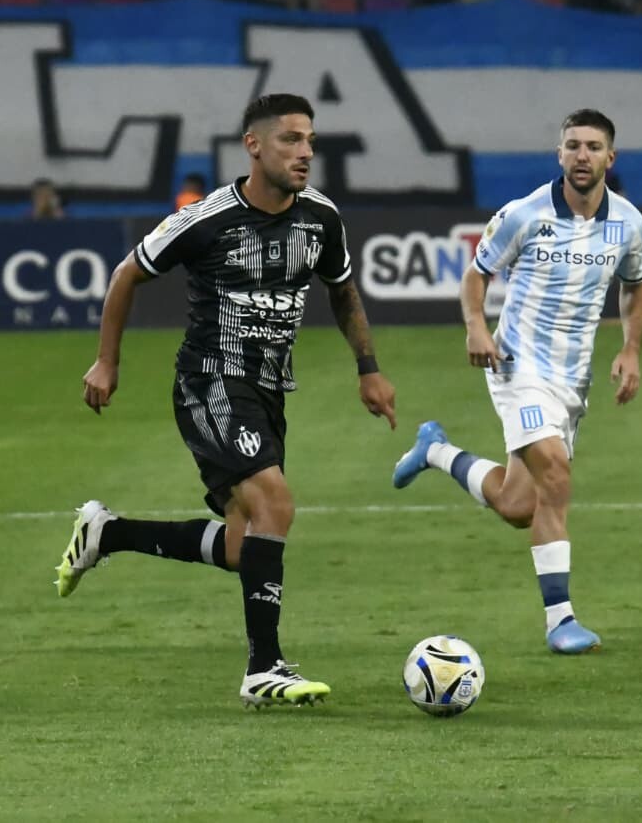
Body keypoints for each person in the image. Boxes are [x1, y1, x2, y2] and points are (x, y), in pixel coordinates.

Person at [55, 93, 398, 708]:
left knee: (245, 547)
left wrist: (368, 370)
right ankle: (264, 668)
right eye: (291, 139)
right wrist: (107, 361)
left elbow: (342, 290)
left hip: (270, 390)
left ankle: (108, 533)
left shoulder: (321, 218)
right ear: (254, 145)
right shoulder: (207, 218)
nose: (305, 152)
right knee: (276, 503)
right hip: (210, 381)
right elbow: (128, 273)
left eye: (310, 140)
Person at [392, 108, 642, 656]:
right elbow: (476, 275)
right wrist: (476, 327)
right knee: (554, 472)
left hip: (571, 380)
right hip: (518, 367)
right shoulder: (524, 214)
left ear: (610, 157)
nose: (582, 155)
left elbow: (635, 283)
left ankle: (435, 450)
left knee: (518, 507)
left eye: (593, 147)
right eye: (573, 146)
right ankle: (561, 621)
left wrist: (631, 348)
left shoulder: (629, 223)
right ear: (559, 154)